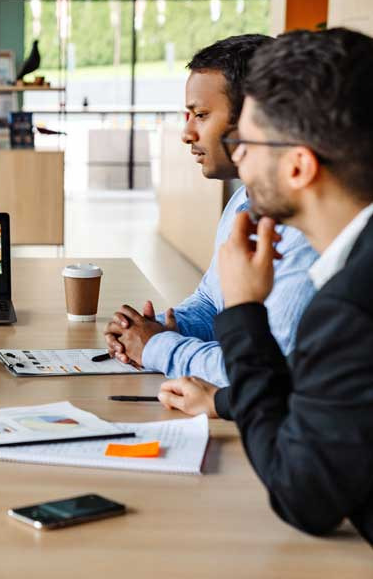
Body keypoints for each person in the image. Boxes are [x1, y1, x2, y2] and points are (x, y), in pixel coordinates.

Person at [160, 29, 373, 543]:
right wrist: (226, 401)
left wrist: (243, 310)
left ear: (299, 165)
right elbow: (317, 397)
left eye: (247, 144)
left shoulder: (350, 308)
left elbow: (304, 496)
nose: (241, 160)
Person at [104, 35, 317, 388]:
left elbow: (263, 369)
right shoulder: (242, 202)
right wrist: (152, 329)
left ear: (255, 118)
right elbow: (212, 300)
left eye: (201, 115)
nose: (187, 133)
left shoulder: (306, 233)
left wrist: (159, 346)